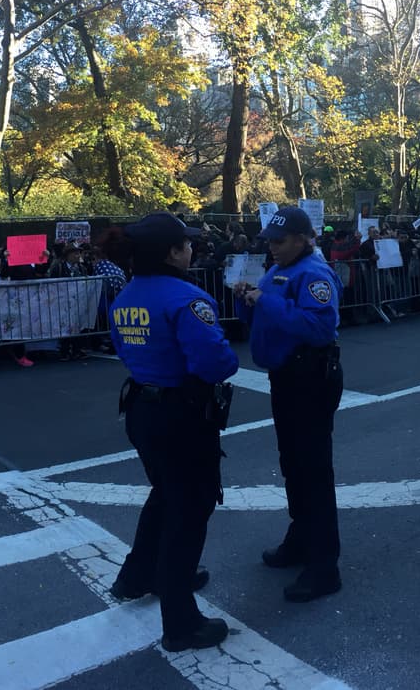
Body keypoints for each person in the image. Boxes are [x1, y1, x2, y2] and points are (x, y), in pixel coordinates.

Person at [106, 212, 238, 652]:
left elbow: (123, 348)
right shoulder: (187, 298)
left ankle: (138, 574)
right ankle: (181, 622)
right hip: (182, 414)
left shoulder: (126, 296)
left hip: (143, 409)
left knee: (165, 494)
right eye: (186, 243)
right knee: (190, 511)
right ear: (171, 252)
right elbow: (215, 363)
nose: (192, 248)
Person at [233, 206, 344, 603]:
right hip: (286, 376)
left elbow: (319, 327)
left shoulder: (314, 274)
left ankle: (324, 565)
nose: (272, 248)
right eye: (269, 241)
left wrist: (266, 301)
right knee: (293, 464)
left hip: (309, 376)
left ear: (302, 238)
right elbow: (265, 320)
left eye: (279, 241)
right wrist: (247, 301)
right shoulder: (280, 269)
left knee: (312, 470)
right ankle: (300, 538)